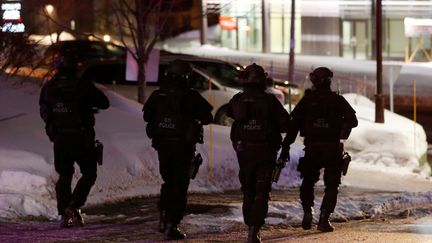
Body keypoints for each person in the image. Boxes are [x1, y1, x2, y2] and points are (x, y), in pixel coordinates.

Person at [280, 67, 358, 232]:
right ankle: (324, 218)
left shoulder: (308, 100)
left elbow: (294, 125)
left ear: (315, 81)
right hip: (332, 148)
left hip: (312, 148)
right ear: (329, 81)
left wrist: (286, 146)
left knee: (307, 182)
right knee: (331, 185)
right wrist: (341, 126)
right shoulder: (337, 100)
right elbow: (353, 120)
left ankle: (308, 211)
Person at [143, 59, 213, 240]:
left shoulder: (158, 95)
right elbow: (208, 116)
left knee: (168, 182)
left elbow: (147, 115)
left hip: (162, 146)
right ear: (186, 76)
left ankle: (164, 216)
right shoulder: (191, 96)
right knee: (179, 185)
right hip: (183, 146)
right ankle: (172, 224)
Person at [39, 56, 110, 228]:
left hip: (60, 138)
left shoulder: (49, 87)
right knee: (89, 173)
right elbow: (104, 103)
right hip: (81, 138)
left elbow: (44, 112)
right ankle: (73, 205)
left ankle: (65, 214)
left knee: (64, 175)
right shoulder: (82, 85)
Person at [227, 63, 291, 243]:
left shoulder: (237, 99)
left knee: (248, 190)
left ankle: (250, 226)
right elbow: (286, 124)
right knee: (261, 191)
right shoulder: (269, 101)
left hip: (244, 152)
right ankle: (254, 231)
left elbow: (231, 115)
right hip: (265, 152)